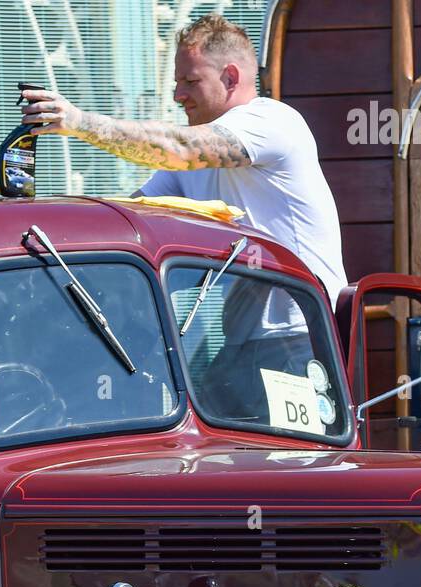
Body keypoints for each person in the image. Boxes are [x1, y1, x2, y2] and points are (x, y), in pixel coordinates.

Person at [21, 14, 346, 420]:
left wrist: (79, 124)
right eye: (177, 83)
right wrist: (36, 231)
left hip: (301, 339)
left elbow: (180, 148)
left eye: (190, 82)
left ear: (230, 77)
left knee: (296, 472)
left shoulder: (272, 122)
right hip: (243, 343)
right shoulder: (191, 160)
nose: (178, 96)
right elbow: (128, 219)